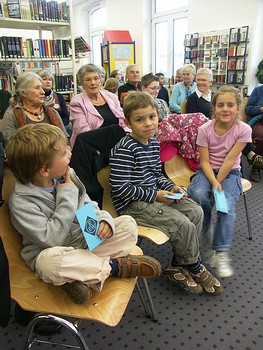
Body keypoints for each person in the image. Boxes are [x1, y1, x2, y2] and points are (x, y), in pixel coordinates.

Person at [5, 123, 161, 306]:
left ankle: (79, 276)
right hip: (54, 251)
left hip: (82, 240)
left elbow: (86, 203)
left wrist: (103, 220)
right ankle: (114, 267)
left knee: (127, 225)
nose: (70, 153)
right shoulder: (22, 202)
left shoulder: (66, 174)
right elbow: (52, 239)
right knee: (48, 265)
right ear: (44, 170)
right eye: (63, 153)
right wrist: (67, 194)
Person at [109, 91, 223, 296]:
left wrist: (170, 187)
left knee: (196, 211)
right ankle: (194, 265)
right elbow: (119, 187)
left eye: (152, 117)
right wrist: (156, 195)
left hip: (154, 195)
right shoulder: (125, 149)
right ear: (128, 122)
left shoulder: (153, 143)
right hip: (132, 205)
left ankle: (178, 264)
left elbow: (156, 174)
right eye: (140, 119)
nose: (148, 124)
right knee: (183, 225)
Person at [187, 86, 252, 278]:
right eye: (220, 105)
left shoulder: (244, 129)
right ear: (214, 108)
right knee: (197, 194)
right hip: (207, 171)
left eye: (230, 105)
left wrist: (218, 183)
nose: (225, 109)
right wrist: (214, 182)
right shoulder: (204, 129)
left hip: (230, 173)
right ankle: (205, 233)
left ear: (238, 107)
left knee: (225, 206)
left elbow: (230, 160)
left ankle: (221, 251)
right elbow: (204, 161)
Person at [185, 68, 263, 179]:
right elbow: (192, 119)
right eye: (198, 80)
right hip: (205, 129)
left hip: (223, 125)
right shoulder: (192, 98)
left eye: (204, 80)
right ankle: (250, 154)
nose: (200, 82)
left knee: (235, 131)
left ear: (210, 83)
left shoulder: (216, 96)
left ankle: (240, 170)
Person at [69, 64, 129, 147]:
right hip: (91, 149)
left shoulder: (112, 97)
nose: (93, 83)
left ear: (101, 80)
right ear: (82, 84)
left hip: (118, 145)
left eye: (96, 78)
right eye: (88, 80)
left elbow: (124, 123)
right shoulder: (77, 102)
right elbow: (83, 133)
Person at [1, 72, 68, 141]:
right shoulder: (11, 115)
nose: (43, 92)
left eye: (42, 88)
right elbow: (10, 146)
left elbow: (65, 139)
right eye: (37, 88)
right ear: (23, 92)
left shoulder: (52, 112)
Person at [36, 69, 72, 136]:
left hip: (59, 129)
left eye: (50, 80)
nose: (48, 82)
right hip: (42, 131)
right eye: (44, 79)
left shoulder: (59, 96)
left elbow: (65, 116)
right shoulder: (35, 98)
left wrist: (59, 128)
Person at [245, 85, 263, 182]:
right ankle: (256, 167)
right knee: (260, 136)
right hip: (259, 120)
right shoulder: (258, 90)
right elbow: (248, 109)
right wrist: (260, 109)